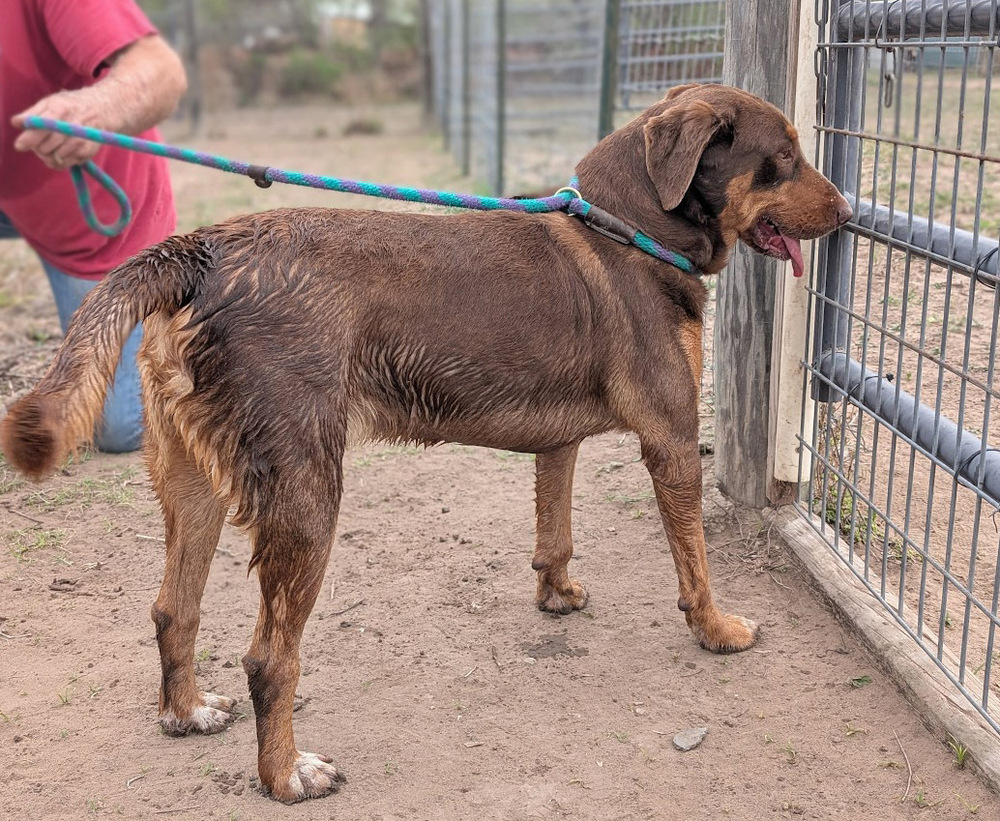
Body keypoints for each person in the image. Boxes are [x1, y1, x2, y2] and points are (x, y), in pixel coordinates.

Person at [0, 0, 187, 452]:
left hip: (90, 205)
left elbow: (161, 71)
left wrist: (97, 108)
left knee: (118, 424)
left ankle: (200, 342)